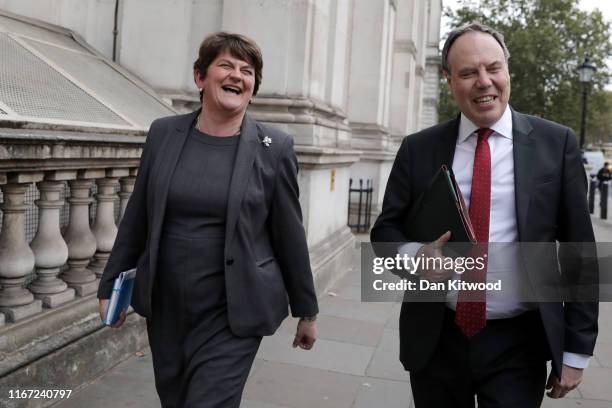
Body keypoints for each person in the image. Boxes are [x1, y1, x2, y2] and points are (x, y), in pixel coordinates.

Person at [371, 23, 598, 407]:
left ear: (508, 71)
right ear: (448, 80)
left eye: (493, 68)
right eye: (467, 72)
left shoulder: (555, 144)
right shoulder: (418, 149)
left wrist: (576, 352)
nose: (484, 81)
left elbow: (580, 253)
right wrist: (415, 256)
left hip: (520, 343)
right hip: (436, 338)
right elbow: (384, 232)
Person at [97, 32, 319, 408]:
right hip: (167, 306)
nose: (238, 76)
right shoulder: (164, 134)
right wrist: (110, 288)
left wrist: (307, 310)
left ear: (252, 86)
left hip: (234, 311)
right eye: (226, 65)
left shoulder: (275, 148)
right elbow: (138, 216)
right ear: (201, 77)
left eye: (247, 71)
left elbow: (289, 234)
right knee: (176, 398)